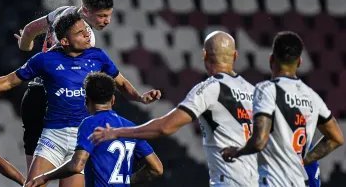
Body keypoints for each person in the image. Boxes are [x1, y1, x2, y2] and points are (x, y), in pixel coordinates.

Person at [0, 13, 161, 187]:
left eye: (86, 30)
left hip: (83, 137)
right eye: (80, 32)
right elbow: (8, 81)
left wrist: (141, 98)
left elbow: (122, 83)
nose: (87, 35)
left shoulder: (98, 56)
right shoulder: (44, 60)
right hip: (53, 137)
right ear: (64, 41)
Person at [89, 31, 259, 186]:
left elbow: (165, 127)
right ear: (235, 56)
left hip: (230, 181)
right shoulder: (255, 91)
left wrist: (118, 132)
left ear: (205, 55)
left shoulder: (210, 89)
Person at [221, 31, 344, 187]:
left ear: (271, 58)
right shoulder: (312, 97)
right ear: (299, 62)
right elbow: (336, 138)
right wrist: (301, 161)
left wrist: (236, 152)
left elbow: (259, 141)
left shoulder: (267, 90)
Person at [15, 0, 113, 172]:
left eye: (108, 15)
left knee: (33, 180)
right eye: (101, 16)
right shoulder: (86, 38)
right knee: (73, 171)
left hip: (34, 96)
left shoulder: (63, 11)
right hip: (59, 101)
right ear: (85, 10)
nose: (107, 21)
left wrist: (25, 46)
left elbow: (29, 31)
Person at [25, 72, 163, 187]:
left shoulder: (90, 124)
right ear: (113, 100)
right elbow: (157, 168)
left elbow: (77, 165)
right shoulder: (131, 127)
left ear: (86, 101)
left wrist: (46, 177)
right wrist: (127, 180)